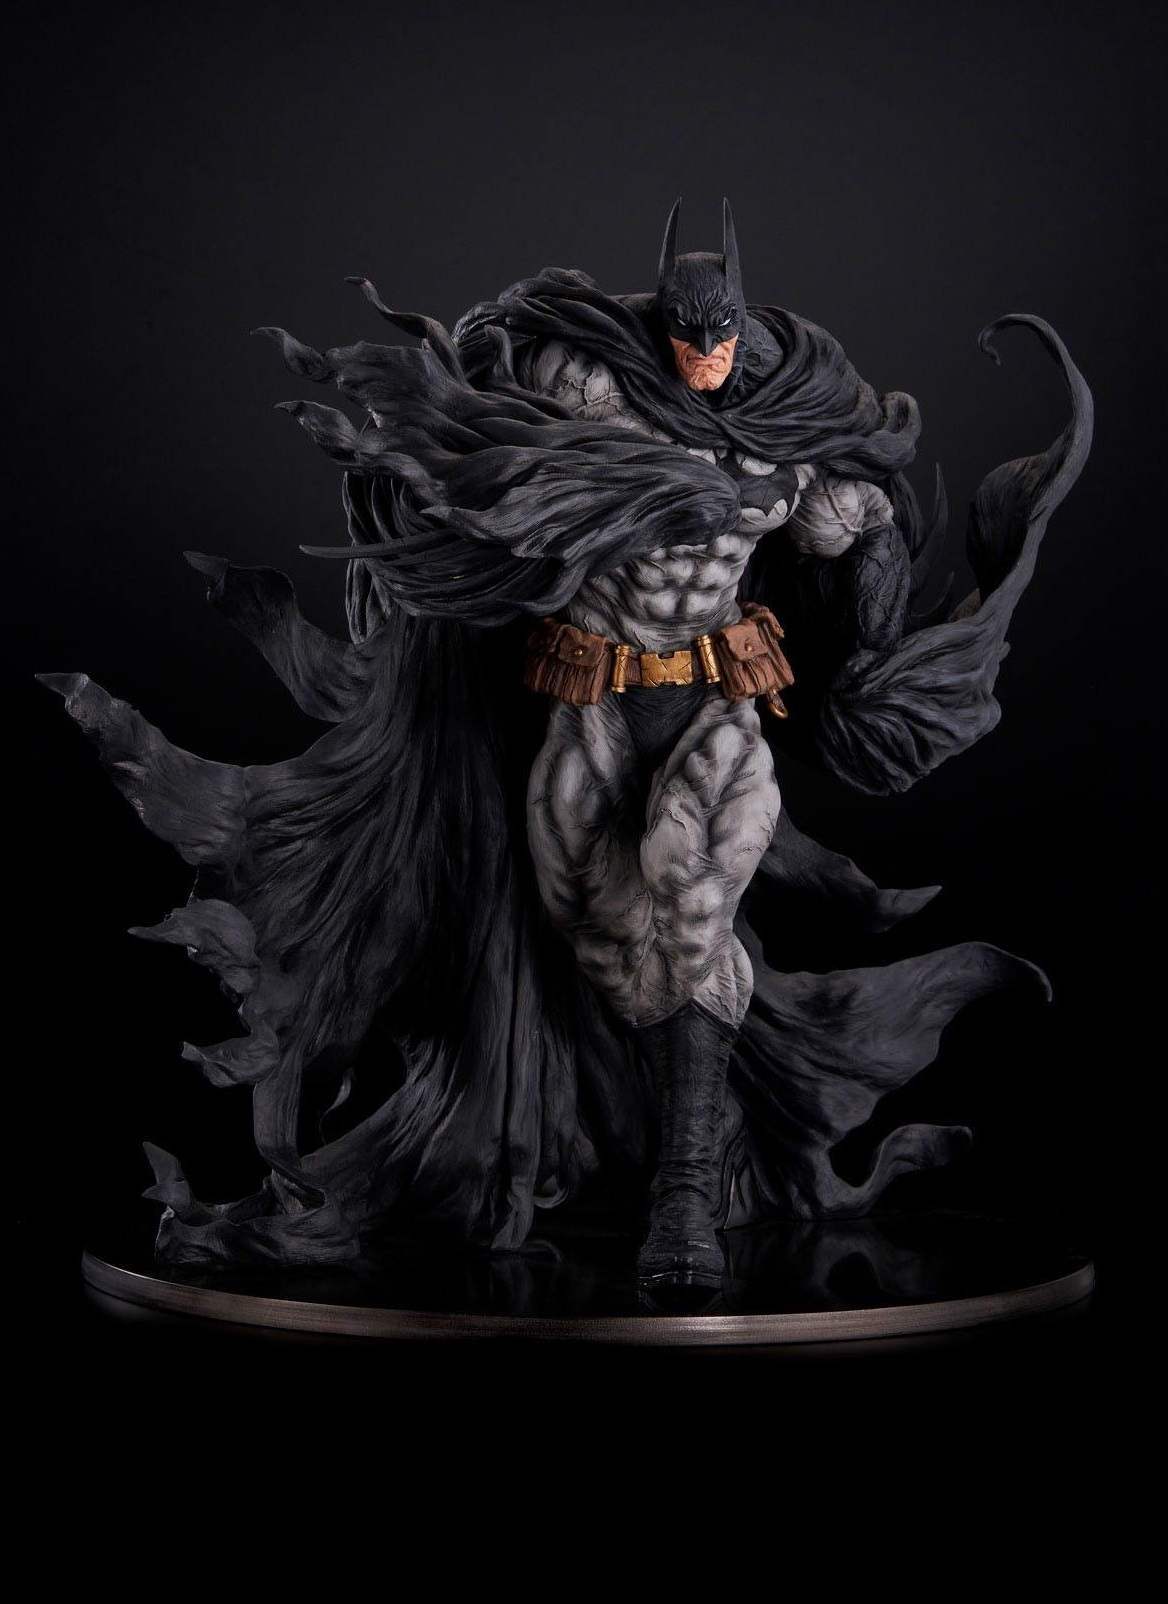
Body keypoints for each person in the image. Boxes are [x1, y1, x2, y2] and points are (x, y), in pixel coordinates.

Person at [41, 200, 1092, 1282]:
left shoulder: (786, 420)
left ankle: (684, 1194)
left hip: (713, 706)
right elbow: (464, 403)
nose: (705, 357)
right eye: (688, 336)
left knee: (689, 900)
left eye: (721, 338)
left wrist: (873, 583)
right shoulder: (582, 384)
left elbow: (858, 547)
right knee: (607, 938)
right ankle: (654, 1136)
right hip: (590, 703)